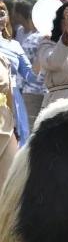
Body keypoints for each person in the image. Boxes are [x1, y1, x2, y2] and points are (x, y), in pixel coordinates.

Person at [0, 0, 36, 139]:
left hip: (14, 99)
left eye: (2, 14)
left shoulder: (14, 45)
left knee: (18, 140)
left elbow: (30, 75)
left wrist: (43, 54)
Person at [13, 0, 47, 127]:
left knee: (31, 134)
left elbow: (22, 70)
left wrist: (17, 91)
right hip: (53, 93)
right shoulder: (62, 39)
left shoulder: (31, 40)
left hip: (32, 94)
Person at [0, 55, 19, 191]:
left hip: (6, 122)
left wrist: (14, 122)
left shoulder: (3, 59)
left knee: (7, 184)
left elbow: (9, 94)